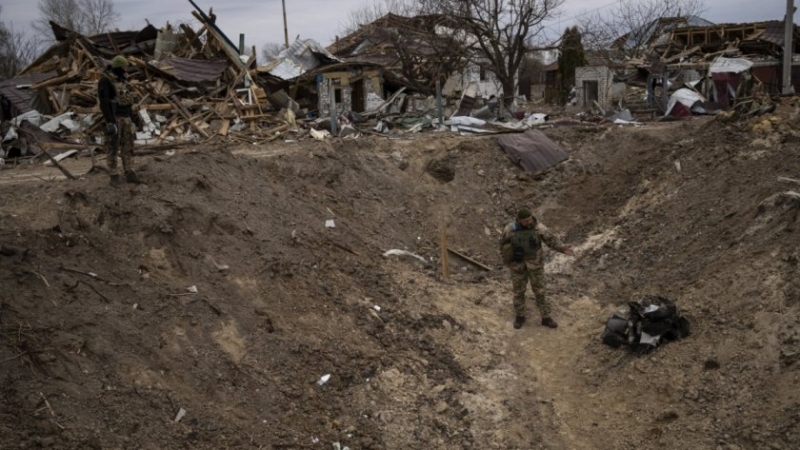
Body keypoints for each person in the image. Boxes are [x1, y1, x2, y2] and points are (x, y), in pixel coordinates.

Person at [500, 208, 573, 329]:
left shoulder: (539, 228)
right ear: (519, 220)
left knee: (540, 291)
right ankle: (520, 316)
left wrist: (562, 248)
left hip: (536, 264)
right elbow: (503, 245)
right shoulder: (510, 229)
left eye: (529, 219)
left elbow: (552, 240)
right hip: (518, 266)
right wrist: (508, 261)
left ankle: (546, 317)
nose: (528, 222)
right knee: (519, 292)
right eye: (525, 221)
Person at [98, 55, 139, 185]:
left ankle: (130, 172)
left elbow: (128, 102)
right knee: (113, 147)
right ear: (119, 67)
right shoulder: (105, 81)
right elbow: (104, 102)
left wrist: (133, 120)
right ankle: (114, 174)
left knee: (128, 146)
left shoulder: (123, 81)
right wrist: (110, 121)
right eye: (124, 67)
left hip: (126, 117)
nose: (126, 69)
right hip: (115, 118)